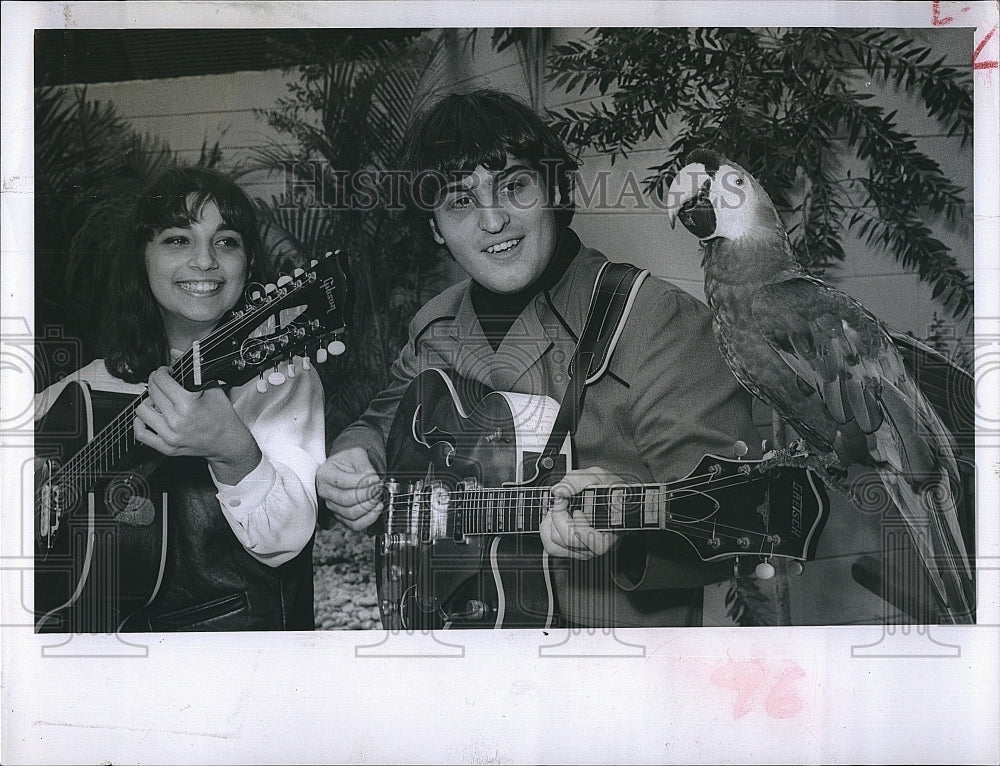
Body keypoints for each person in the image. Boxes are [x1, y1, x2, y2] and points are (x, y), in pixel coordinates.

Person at [316, 89, 758, 627]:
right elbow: (380, 424)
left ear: (553, 188)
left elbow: (732, 519)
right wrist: (351, 459)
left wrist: (626, 516)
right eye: (460, 201)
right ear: (434, 226)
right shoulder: (434, 325)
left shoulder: (656, 319)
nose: (493, 219)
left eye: (514, 185)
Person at [34, 165, 324, 631]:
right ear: (141, 257)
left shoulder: (279, 376)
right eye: (177, 239)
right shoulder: (96, 384)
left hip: (238, 653)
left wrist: (234, 451)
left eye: (226, 241)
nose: (205, 260)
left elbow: (287, 538)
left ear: (249, 263)